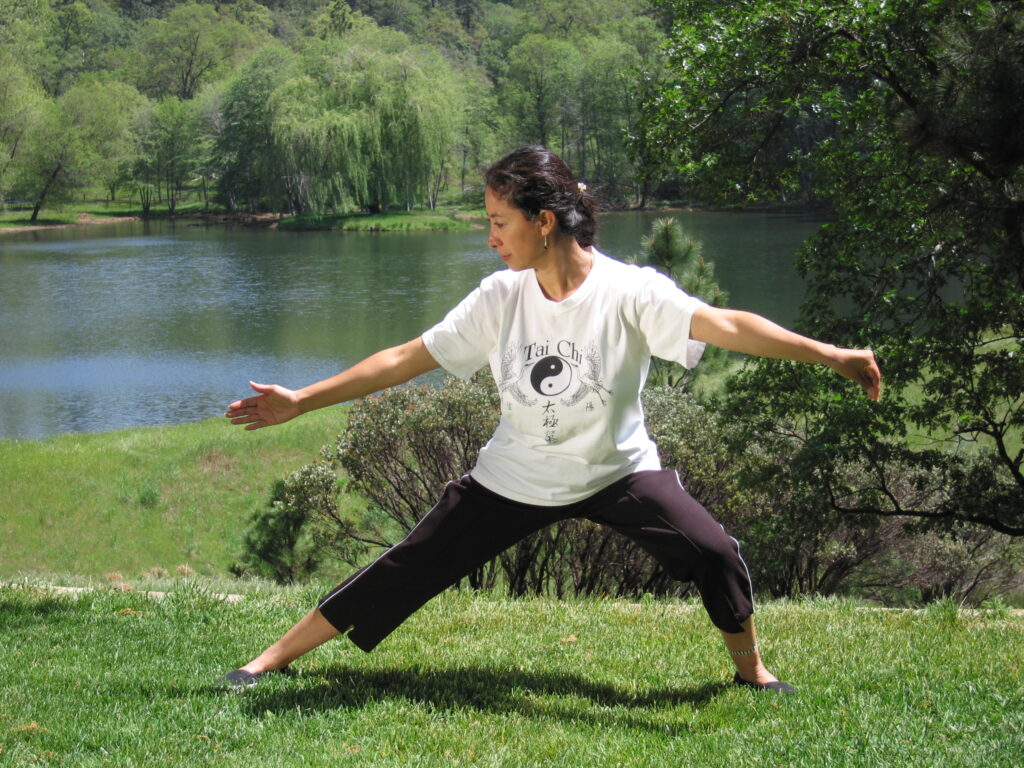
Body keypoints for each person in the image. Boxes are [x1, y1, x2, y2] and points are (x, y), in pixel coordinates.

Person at [219, 146, 881, 694]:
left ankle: (753, 673)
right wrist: (302, 399)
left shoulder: (629, 290)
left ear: (543, 221)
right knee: (409, 563)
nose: (490, 237)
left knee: (713, 551)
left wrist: (829, 354)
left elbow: (728, 324)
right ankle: (266, 662)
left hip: (616, 471)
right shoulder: (499, 297)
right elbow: (405, 356)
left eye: (499, 222)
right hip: (515, 476)